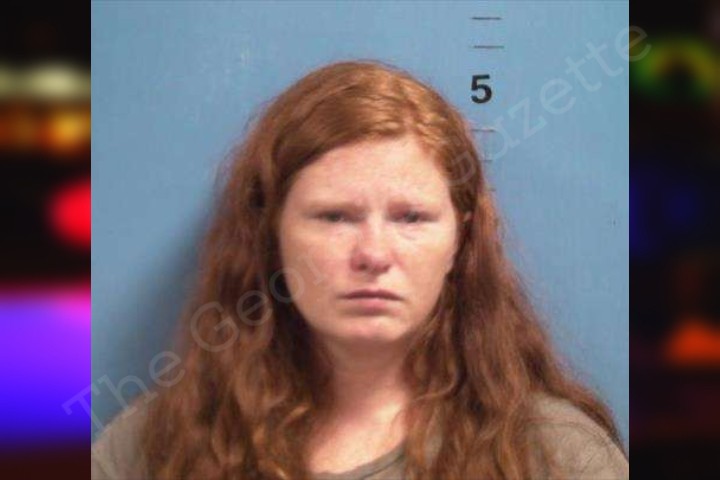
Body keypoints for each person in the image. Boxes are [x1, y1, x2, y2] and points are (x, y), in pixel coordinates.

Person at [91, 60, 629, 479]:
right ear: (270, 235)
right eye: (334, 217)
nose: (373, 253)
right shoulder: (153, 449)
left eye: (411, 217)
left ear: (460, 241)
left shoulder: (555, 455)